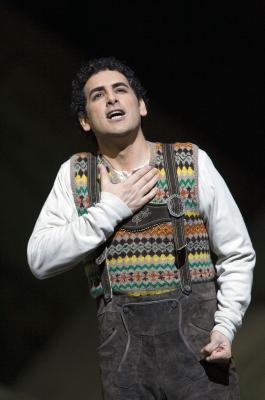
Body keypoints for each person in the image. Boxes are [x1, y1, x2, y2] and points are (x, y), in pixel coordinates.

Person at [27, 56, 255, 399]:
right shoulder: (75, 175)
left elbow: (237, 252)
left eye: (120, 90)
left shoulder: (190, 163)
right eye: (98, 96)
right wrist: (111, 208)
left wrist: (225, 327)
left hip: (200, 356)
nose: (112, 99)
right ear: (85, 120)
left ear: (142, 105)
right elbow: (40, 259)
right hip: (125, 365)